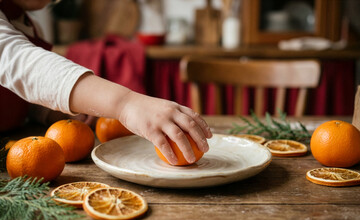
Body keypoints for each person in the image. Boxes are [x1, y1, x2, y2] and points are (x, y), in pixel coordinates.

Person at [0, 0, 212, 165]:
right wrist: (127, 104)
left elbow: (19, 91)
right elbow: (23, 65)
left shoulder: (29, 24)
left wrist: (53, 112)